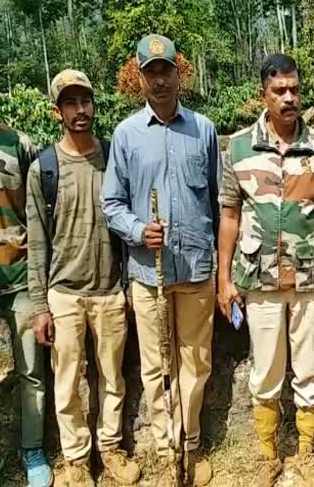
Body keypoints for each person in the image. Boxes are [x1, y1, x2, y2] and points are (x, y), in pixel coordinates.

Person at [218, 53, 314, 487]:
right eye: (279, 91)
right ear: (264, 94)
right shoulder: (238, 148)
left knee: (310, 368)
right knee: (266, 370)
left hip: (311, 277)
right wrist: (224, 280)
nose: (289, 98)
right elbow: (229, 217)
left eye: (294, 89)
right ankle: (266, 454)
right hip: (260, 279)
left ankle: (306, 454)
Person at [102, 35, 220, 486]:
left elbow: (215, 198)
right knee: (154, 365)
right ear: (139, 77)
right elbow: (112, 203)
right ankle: (165, 441)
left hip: (194, 270)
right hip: (146, 273)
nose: (160, 79)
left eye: (166, 69)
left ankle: (190, 444)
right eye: (151, 71)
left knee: (196, 360)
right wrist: (138, 230)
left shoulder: (204, 130)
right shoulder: (126, 135)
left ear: (179, 73)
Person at [27, 70, 140, 485]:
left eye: (86, 101)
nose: (80, 110)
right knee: (68, 380)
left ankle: (110, 449)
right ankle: (76, 458)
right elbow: (37, 242)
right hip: (65, 293)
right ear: (57, 110)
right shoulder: (45, 168)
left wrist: (128, 287)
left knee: (113, 376)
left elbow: (128, 228)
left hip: (110, 289)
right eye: (71, 103)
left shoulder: (113, 158)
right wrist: (41, 306)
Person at [0, 54, 52, 486]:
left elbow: (38, 213)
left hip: (21, 279)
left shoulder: (18, 144)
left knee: (31, 371)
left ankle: (33, 451)